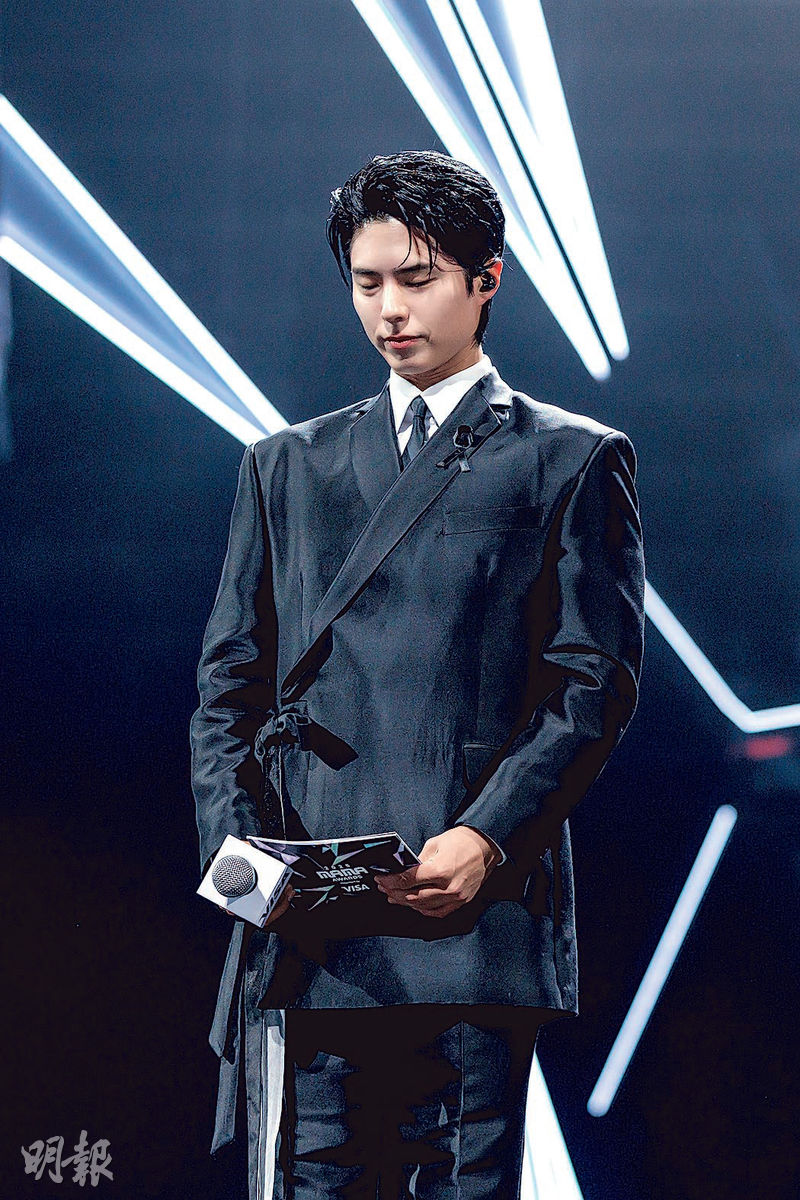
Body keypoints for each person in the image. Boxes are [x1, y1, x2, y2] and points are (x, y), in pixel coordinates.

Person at [190, 150, 645, 1200]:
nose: (389, 308)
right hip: (311, 913)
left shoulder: (570, 458)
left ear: (486, 280)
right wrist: (238, 858)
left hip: (471, 909)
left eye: (417, 278)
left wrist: (485, 837)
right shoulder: (285, 464)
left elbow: (594, 683)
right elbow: (227, 685)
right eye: (367, 283)